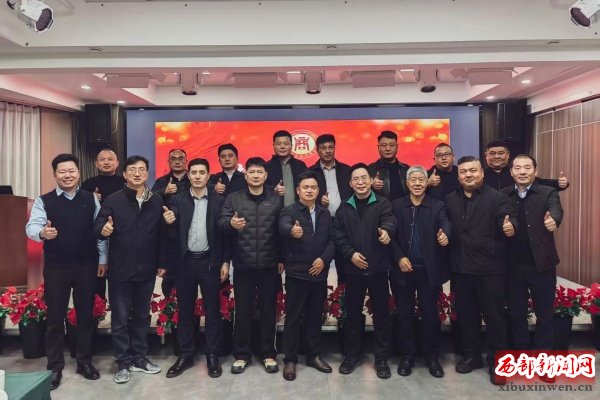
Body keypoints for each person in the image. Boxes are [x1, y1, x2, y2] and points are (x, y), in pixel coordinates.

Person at [25, 153, 105, 390]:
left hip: (86, 265)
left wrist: (103, 259)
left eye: (71, 171)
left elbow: (100, 231)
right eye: (62, 171)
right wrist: (42, 233)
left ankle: (84, 361)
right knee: (54, 317)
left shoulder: (91, 199)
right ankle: (55, 367)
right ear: (55, 174)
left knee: (85, 315)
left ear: (78, 173)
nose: (67, 175)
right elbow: (32, 226)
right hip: (57, 267)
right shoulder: (44, 201)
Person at [94, 155, 168, 385]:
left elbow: (161, 235)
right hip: (120, 269)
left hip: (146, 269)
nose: (137, 173)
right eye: (132, 169)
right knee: (120, 317)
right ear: (124, 174)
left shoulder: (156, 200)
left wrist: (161, 262)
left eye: (142, 169)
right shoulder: (114, 200)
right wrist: (103, 229)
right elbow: (98, 225)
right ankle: (123, 362)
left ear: (147, 173)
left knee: (143, 316)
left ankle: (139, 357)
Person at [445, 156, 516, 386]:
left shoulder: (497, 197)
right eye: (464, 171)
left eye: (473, 171)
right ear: (458, 176)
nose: (468, 175)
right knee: (467, 317)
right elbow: (446, 224)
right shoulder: (450, 199)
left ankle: (498, 363)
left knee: (495, 318)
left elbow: (508, 217)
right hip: (461, 269)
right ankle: (472, 356)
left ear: (482, 173)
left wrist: (509, 226)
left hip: (490, 269)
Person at [163, 158, 230, 379]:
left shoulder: (219, 201)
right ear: (188, 175)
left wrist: (225, 261)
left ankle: (212, 355)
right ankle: (185, 354)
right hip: (185, 263)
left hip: (210, 262)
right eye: (194, 172)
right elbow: (172, 226)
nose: (198, 176)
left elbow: (225, 235)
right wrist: (170, 220)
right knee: (185, 311)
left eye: (202, 172)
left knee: (212, 311)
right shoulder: (178, 199)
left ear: (208, 175)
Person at [219, 157, 284, 374]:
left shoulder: (276, 199)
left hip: (269, 265)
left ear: (266, 176)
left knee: (268, 311)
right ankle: (242, 355)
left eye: (259, 172)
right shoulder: (233, 198)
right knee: (243, 312)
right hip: (243, 265)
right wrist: (231, 223)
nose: (255, 176)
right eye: (252, 172)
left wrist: (282, 259)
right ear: (245, 175)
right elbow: (221, 224)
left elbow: (281, 232)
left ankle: (268, 354)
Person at [334, 163, 396, 379]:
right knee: (352, 314)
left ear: (371, 181)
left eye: (363, 178)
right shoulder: (344, 208)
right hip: (353, 270)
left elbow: (390, 221)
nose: (360, 182)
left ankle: (381, 358)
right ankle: (353, 354)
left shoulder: (382, 203)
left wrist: (387, 232)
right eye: (356, 179)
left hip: (378, 268)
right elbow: (338, 235)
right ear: (350, 184)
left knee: (381, 314)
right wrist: (351, 254)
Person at [391, 166, 451, 379]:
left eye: (421, 180)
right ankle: (407, 355)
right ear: (407, 183)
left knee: (430, 315)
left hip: (429, 271)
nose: (417, 183)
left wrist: (445, 235)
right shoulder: (396, 205)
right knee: (404, 315)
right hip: (403, 270)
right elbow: (390, 235)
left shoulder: (438, 206)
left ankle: (432, 356)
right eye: (413, 180)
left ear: (427, 183)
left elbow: (446, 224)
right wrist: (399, 257)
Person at [502, 155, 563, 358]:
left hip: (542, 263)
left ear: (535, 171)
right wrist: (504, 226)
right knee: (516, 313)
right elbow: (499, 218)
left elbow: (556, 210)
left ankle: (543, 356)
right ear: (511, 172)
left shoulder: (548, 192)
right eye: (518, 168)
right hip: (512, 265)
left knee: (545, 313)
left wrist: (554, 220)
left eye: (527, 167)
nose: (522, 171)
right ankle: (521, 354)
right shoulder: (503, 195)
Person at [279, 171, 335, 381]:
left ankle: (314, 355)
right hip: (297, 274)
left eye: (313, 187)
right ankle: (290, 359)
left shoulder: (325, 213)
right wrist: (291, 231)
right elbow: (283, 226)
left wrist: (324, 260)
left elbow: (332, 240)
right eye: (305, 187)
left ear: (318, 190)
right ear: (298, 190)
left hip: (318, 274)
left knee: (314, 316)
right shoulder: (289, 211)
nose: (309, 190)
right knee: (293, 318)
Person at [308, 134, 352, 284]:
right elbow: (303, 198)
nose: (327, 151)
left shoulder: (347, 171)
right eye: (323, 148)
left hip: (344, 223)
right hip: (321, 223)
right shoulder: (310, 173)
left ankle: (343, 296)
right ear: (317, 150)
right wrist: (318, 201)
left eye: (330, 147)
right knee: (319, 265)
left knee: (345, 265)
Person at [81, 148, 125, 299]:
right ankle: (98, 308)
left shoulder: (125, 183)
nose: (106, 162)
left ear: (117, 163)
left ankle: (120, 309)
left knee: (119, 281)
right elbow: (81, 208)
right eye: (102, 159)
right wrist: (90, 198)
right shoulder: (88, 184)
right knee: (96, 280)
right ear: (96, 163)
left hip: (120, 236)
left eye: (110, 159)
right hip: (95, 236)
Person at [151, 148, 190, 296]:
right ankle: (169, 309)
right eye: (173, 159)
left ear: (186, 161)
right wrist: (164, 192)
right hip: (168, 237)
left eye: (181, 158)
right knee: (169, 280)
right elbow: (149, 201)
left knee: (189, 280)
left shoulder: (193, 179)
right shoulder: (161, 181)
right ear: (168, 162)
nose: (177, 162)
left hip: (191, 236)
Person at [483, 140, 569, 191]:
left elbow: (540, 183)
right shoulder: (480, 175)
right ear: (486, 155)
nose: (497, 157)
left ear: (508, 154)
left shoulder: (517, 172)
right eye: (492, 153)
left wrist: (559, 184)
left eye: (501, 153)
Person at [265, 130, 307, 207]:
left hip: (298, 210)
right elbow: (259, 190)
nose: (282, 147)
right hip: (274, 211)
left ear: (291, 145)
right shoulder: (266, 167)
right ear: (273, 145)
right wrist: (273, 191)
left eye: (286, 144)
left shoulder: (301, 165)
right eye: (278, 144)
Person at [368, 130, 410, 202]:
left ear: (397, 147)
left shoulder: (406, 169)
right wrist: (370, 185)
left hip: (403, 208)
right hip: (381, 209)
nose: (388, 149)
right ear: (378, 147)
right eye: (384, 145)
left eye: (392, 145)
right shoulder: (370, 170)